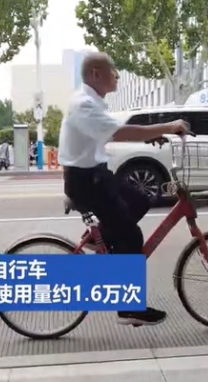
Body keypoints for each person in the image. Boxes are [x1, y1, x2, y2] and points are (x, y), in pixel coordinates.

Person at [58, 52, 188, 326]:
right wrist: (169, 126)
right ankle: (128, 308)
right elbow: (117, 132)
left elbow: (107, 134)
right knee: (131, 235)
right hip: (85, 181)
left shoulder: (94, 102)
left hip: (95, 175)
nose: (117, 76)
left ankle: (99, 238)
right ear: (96, 74)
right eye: (113, 71)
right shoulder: (84, 104)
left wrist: (150, 137)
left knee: (140, 200)